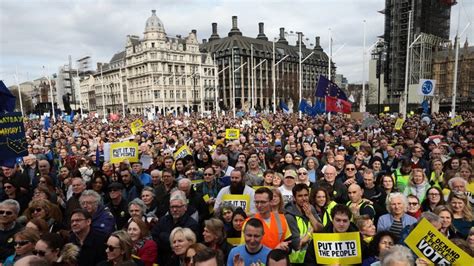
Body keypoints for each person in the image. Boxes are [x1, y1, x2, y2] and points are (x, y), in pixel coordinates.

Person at [152, 190, 199, 265]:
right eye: (172, 207)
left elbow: (188, 245)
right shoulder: (163, 219)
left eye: (177, 207)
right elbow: (154, 237)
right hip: (161, 260)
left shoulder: (192, 224)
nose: (174, 210)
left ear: (185, 207)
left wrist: (162, 236)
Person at [284, 183, 322, 264]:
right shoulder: (289, 216)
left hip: (314, 256)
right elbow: (297, 244)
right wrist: (311, 231)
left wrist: (310, 216)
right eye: (300, 196)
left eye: (306, 195)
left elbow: (321, 230)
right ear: (294, 198)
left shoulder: (311, 208)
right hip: (298, 261)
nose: (304, 198)